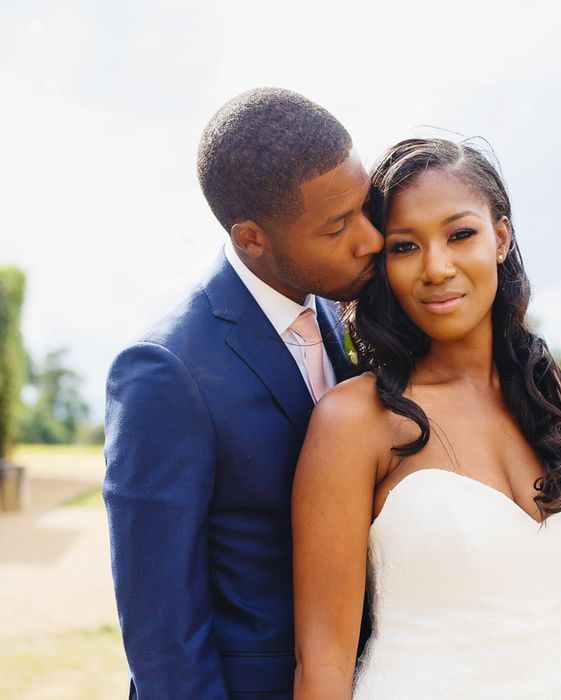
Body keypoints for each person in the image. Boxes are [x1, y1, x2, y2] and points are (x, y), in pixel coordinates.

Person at [292, 138, 561, 698]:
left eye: (461, 235)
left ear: (500, 237)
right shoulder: (356, 421)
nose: (436, 268)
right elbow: (324, 663)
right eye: (405, 247)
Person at [103, 88, 381, 699]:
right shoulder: (164, 370)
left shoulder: (338, 316)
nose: (371, 239)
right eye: (338, 227)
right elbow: (161, 632)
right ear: (253, 238)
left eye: (367, 208)